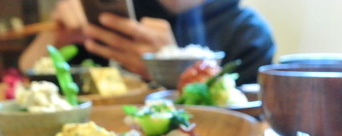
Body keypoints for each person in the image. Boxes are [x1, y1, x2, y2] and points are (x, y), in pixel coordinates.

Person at [19, 0, 275, 84]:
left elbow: (243, 127)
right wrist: (53, 36)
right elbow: (24, 76)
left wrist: (170, 68)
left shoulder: (248, 32)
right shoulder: (114, 11)